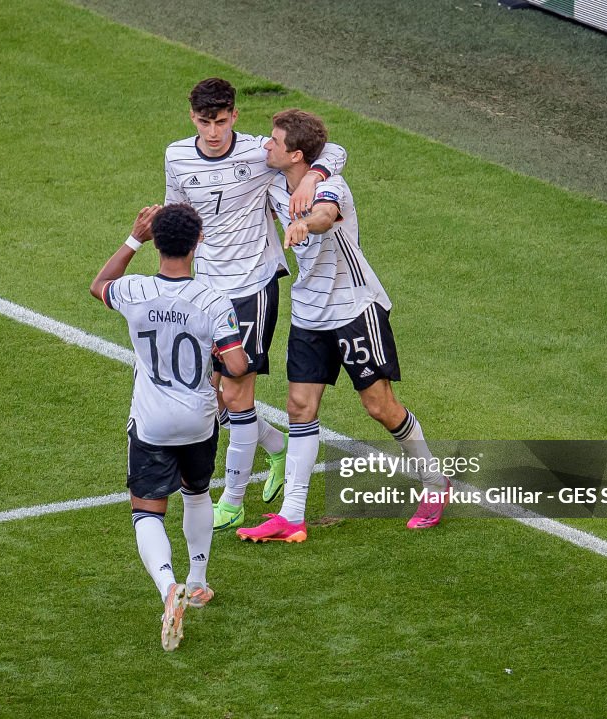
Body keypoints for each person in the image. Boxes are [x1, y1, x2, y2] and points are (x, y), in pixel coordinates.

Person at [236, 109, 451, 543]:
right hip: (308, 312)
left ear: (295, 153)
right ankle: (292, 516)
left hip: (355, 309)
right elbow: (333, 148)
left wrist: (303, 220)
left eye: (274, 143)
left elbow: (325, 215)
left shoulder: (331, 186)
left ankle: (435, 481)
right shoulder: (280, 176)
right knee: (299, 407)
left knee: (379, 407)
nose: (265, 147)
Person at [165, 77, 348, 531]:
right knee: (207, 393)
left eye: (221, 121)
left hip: (252, 286)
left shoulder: (257, 152)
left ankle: (233, 497)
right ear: (192, 117)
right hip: (204, 288)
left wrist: (317, 177)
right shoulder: (175, 155)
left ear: (234, 116)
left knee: (235, 391)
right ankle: (276, 445)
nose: (213, 131)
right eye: (205, 122)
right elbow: (177, 209)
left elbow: (333, 150)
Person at [90, 204, 249, 651]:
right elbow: (237, 363)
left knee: (147, 511)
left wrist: (131, 238)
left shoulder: (135, 290)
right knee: (197, 493)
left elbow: (97, 285)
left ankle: (167, 589)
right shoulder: (213, 300)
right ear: (198, 242)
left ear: (157, 242)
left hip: (152, 421)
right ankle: (197, 582)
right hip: (199, 419)